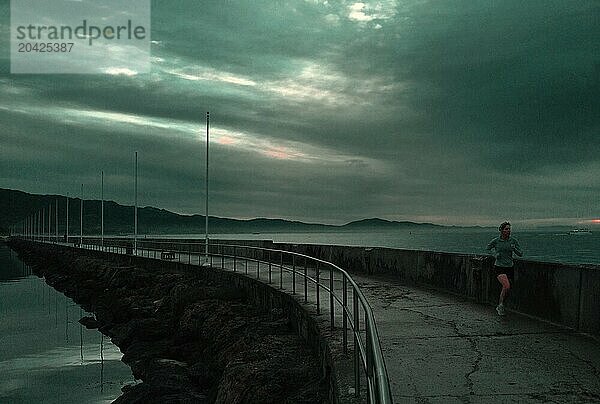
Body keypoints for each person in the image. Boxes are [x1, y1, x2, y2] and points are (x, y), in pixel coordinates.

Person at [486, 221, 523, 316]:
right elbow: (487, 249)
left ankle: (502, 304)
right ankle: (500, 305)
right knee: (506, 286)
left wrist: (514, 249)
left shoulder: (513, 241)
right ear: (501, 230)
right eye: (506, 229)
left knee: (506, 288)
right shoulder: (496, 241)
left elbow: (520, 253)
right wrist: (494, 254)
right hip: (499, 267)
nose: (509, 231)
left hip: (510, 267)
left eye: (509, 229)